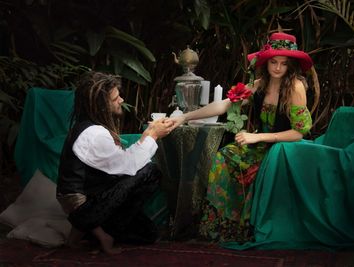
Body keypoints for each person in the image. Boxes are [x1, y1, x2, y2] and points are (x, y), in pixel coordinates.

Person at [169, 32, 315, 242]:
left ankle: (246, 226)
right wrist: (185, 117)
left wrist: (257, 137)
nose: (277, 68)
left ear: (290, 65)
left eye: (283, 64)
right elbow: (225, 104)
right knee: (223, 156)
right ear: (265, 62)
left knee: (243, 163)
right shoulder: (259, 84)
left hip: (283, 147)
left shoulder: (295, 87)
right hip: (259, 144)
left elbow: (299, 133)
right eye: (273, 62)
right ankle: (224, 227)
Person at [56, 71, 174, 254]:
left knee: (148, 234)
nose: (121, 100)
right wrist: (153, 135)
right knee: (150, 172)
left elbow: (119, 165)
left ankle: (98, 231)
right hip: (84, 209)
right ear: (101, 106)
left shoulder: (89, 127)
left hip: (93, 197)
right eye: (115, 98)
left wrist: (148, 135)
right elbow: (127, 167)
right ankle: (102, 233)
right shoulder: (94, 134)